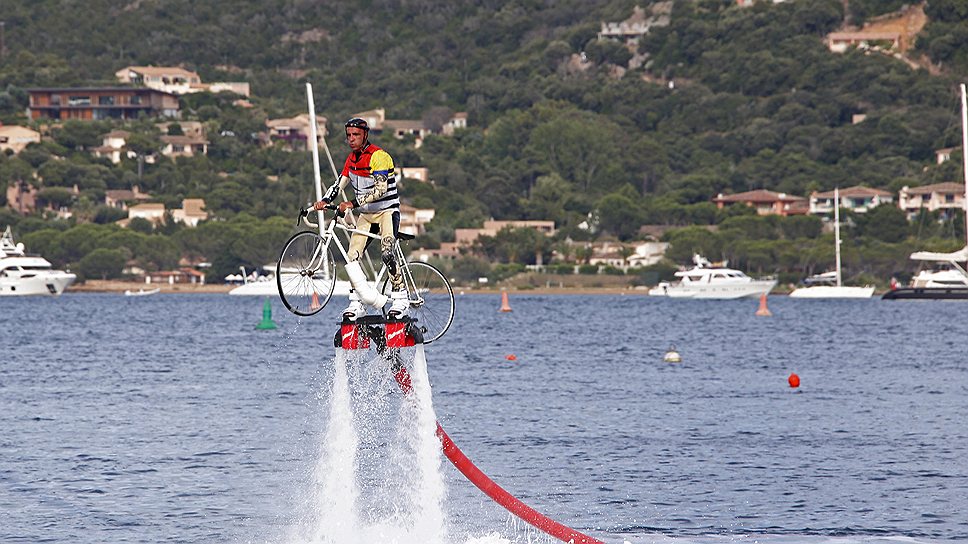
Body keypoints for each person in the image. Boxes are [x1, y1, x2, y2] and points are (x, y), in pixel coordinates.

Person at [313, 117, 407, 320]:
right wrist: (324, 200)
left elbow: (381, 190)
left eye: (355, 135)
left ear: (365, 135)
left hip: (387, 212)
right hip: (366, 215)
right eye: (348, 135)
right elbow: (339, 184)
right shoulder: (351, 159)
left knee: (387, 253)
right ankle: (357, 303)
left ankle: (400, 299)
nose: (351, 139)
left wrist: (352, 204)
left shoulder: (379, 156)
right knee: (352, 257)